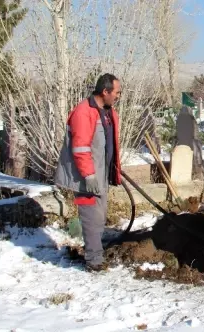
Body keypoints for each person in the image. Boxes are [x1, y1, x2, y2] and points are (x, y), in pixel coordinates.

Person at [54, 73, 122, 272]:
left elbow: (108, 146)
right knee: (91, 218)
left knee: (100, 218)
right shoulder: (84, 112)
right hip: (84, 179)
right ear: (105, 91)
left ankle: (95, 252)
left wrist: (114, 167)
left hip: (101, 176)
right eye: (117, 92)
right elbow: (80, 148)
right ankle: (94, 261)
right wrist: (88, 175)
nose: (118, 96)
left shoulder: (108, 113)